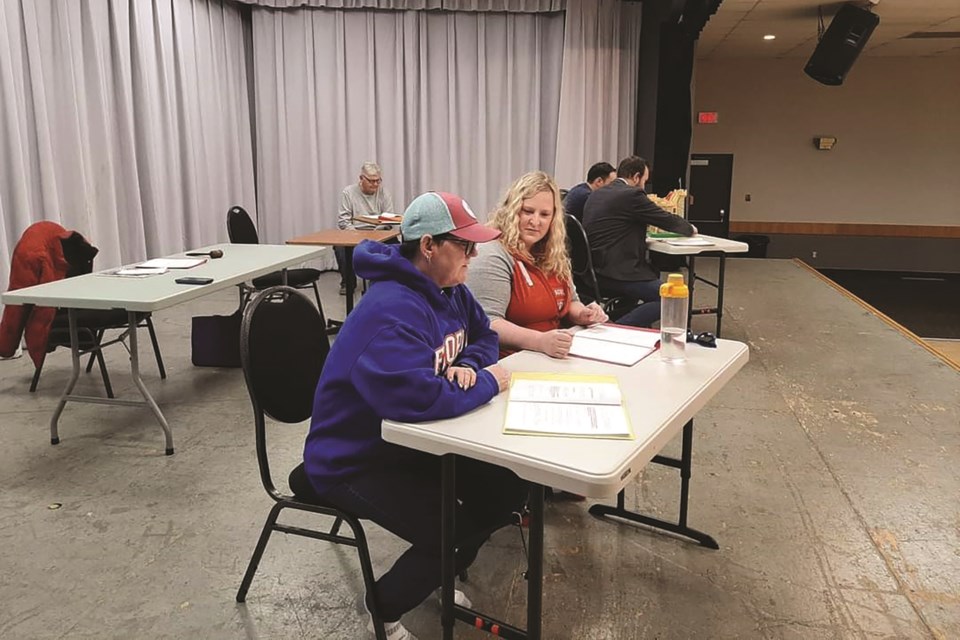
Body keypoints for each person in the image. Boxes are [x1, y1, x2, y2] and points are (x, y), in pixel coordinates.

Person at [302, 191, 526, 640]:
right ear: (428, 246)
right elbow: (419, 400)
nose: (474, 254)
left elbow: (483, 336)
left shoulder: (452, 291)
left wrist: (468, 365)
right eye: (464, 245)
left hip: (409, 441)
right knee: (453, 532)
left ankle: (433, 574)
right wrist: (488, 381)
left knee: (505, 491)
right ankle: (383, 607)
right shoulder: (389, 311)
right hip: (352, 459)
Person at [466, 171, 608, 360]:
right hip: (510, 361)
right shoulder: (492, 253)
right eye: (528, 211)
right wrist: (540, 341)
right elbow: (487, 322)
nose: (535, 221)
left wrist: (584, 314)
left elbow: (571, 301)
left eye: (544, 214)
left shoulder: (552, 252)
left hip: (551, 354)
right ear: (512, 210)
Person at [582, 155, 696, 327]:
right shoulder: (632, 194)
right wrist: (690, 228)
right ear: (636, 177)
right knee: (673, 296)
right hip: (618, 272)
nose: (644, 185)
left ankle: (615, 320)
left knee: (651, 275)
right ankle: (616, 329)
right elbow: (664, 218)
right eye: (644, 180)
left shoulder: (597, 194)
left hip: (592, 271)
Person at [336, 161, 397, 294]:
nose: (375, 184)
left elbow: (389, 219)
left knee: (396, 246)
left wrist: (375, 234)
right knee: (340, 247)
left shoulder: (384, 192)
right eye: (371, 181)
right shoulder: (348, 192)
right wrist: (357, 235)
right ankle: (348, 282)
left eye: (378, 181)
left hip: (379, 232)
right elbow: (344, 221)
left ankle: (389, 281)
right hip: (355, 232)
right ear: (361, 179)